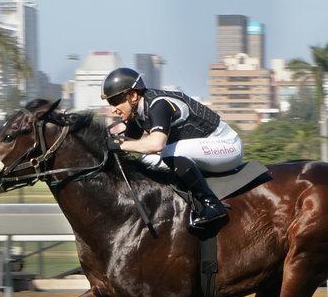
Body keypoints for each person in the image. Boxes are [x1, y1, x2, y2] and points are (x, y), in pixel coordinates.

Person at [102, 67, 243, 230]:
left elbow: (156, 144)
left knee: (167, 152)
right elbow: (128, 144)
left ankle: (212, 204)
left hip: (227, 146)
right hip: (206, 149)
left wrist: (119, 144)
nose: (112, 109)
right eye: (109, 103)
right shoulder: (137, 113)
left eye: (115, 101)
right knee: (148, 162)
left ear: (133, 95)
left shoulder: (158, 105)